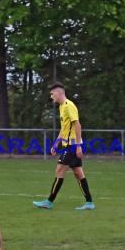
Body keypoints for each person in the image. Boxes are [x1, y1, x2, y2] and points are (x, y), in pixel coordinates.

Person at [32, 82, 95, 210]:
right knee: (78, 173)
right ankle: (89, 202)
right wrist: (56, 143)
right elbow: (64, 128)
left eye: (52, 93)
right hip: (69, 144)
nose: (51, 96)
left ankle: (49, 201)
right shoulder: (62, 107)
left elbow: (77, 125)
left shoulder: (69, 106)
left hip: (72, 145)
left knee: (59, 170)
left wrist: (77, 146)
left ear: (59, 92)